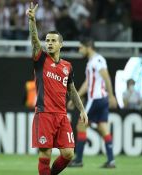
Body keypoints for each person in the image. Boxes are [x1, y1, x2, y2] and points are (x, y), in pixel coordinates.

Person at [26, 3, 88, 175]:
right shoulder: (40, 59)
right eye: (47, 41)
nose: (49, 43)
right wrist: (32, 21)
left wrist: (81, 109)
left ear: (61, 44)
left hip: (61, 116)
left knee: (68, 153)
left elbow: (72, 90)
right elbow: (34, 40)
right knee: (45, 154)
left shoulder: (67, 66)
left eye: (53, 41)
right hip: (44, 114)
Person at [67, 38, 117, 168]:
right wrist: (76, 98)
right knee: (103, 127)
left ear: (88, 46)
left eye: (81, 47)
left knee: (80, 125)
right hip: (101, 99)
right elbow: (88, 83)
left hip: (96, 99)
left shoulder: (97, 60)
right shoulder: (91, 62)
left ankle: (78, 159)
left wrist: (112, 96)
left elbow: (106, 77)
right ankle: (111, 160)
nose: (79, 50)